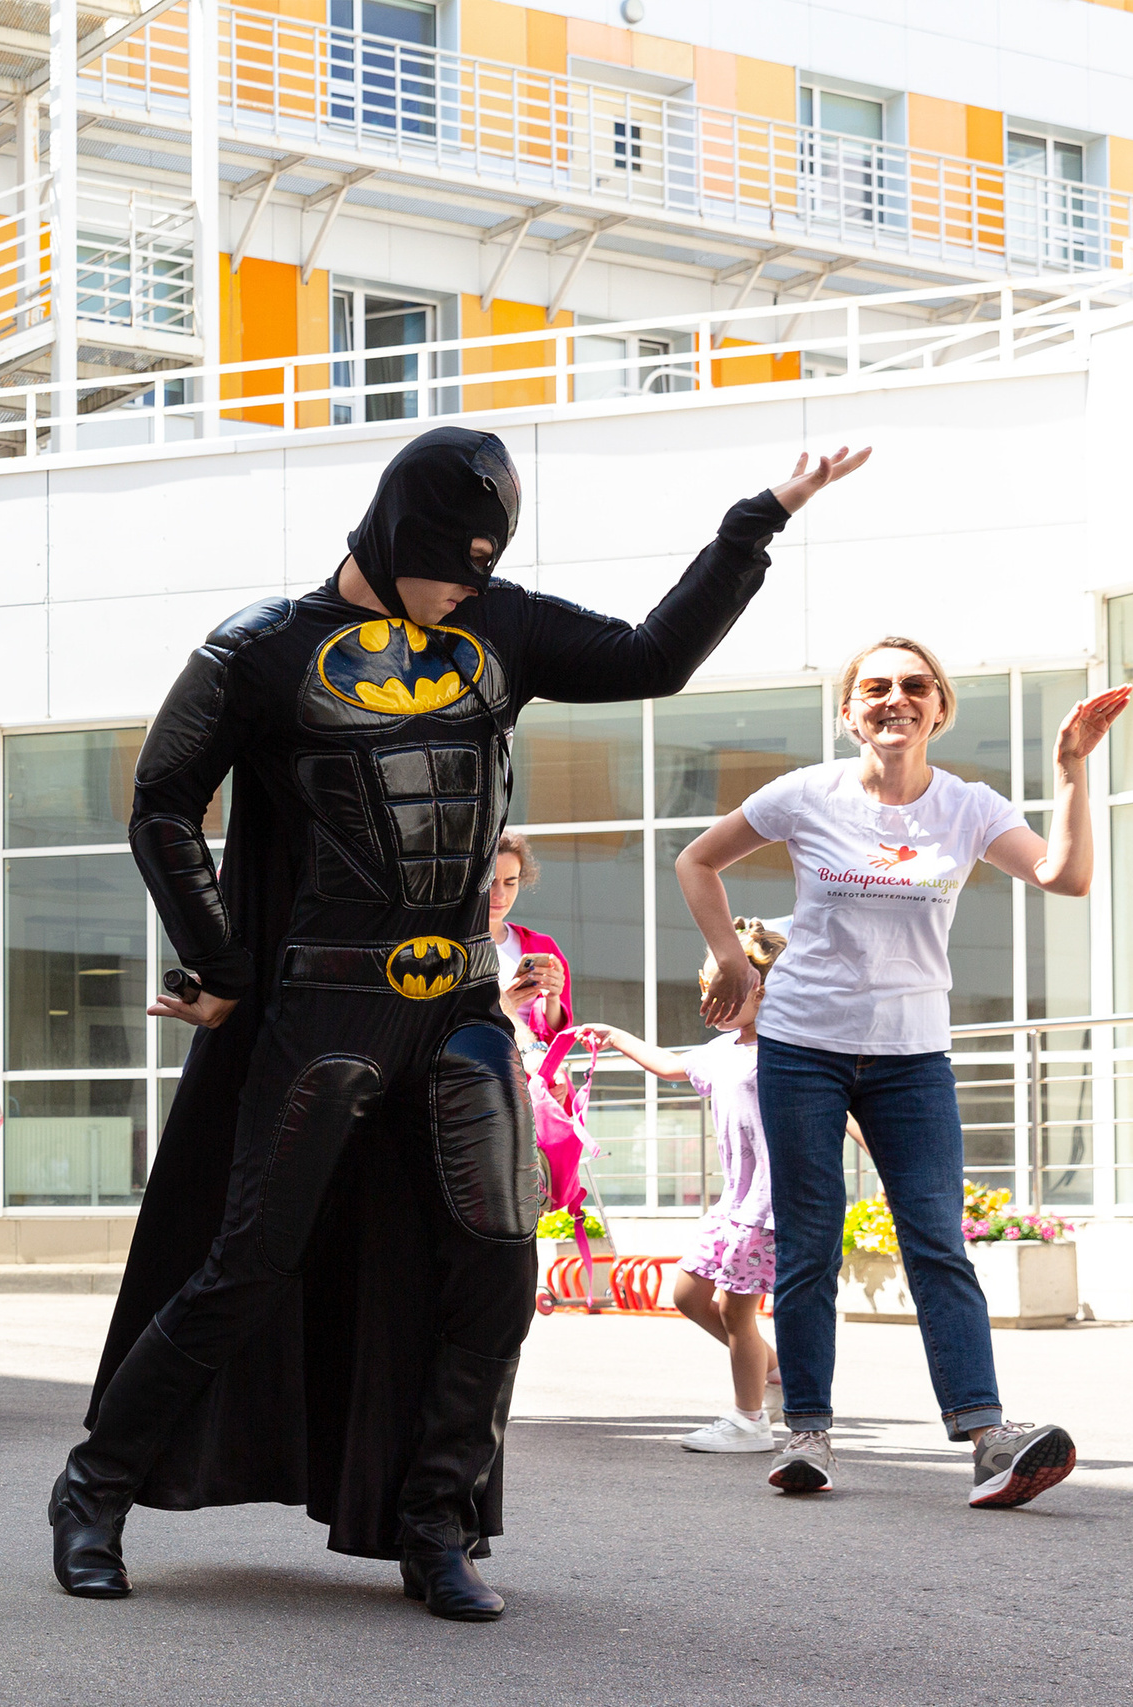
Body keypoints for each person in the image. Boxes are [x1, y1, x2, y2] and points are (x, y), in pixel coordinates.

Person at [55, 427, 872, 1620]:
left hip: (457, 1006)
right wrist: (220, 959)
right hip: (323, 1001)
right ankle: (95, 1487)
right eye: (450, 564)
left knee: (496, 1262)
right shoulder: (260, 650)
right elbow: (163, 803)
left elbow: (654, 656)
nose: (465, 588)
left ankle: (435, 1522)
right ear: (390, 542)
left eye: (484, 564)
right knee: (246, 1264)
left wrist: (759, 521)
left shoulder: (496, 623)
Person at [679, 638, 1129, 1506]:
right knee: (809, 1241)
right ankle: (806, 1431)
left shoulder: (966, 806)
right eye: (876, 687)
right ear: (850, 711)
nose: (896, 698)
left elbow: (1064, 875)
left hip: (913, 1057)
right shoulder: (806, 794)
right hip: (804, 1046)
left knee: (936, 1239)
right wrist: (730, 957)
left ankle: (986, 1433)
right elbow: (695, 860)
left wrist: (1071, 768)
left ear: (938, 707)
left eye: (914, 686)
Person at [576, 918, 789, 1452]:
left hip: (769, 1204)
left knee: (736, 1310)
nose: (709, 999)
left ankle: (749, 1421)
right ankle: (776, 1371)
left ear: (760, 989)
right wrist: (615, 1035)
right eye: (705, 987)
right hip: (733, 1202)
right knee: (689, 1294)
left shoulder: (789, 1051)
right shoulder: (721, 1050)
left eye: (720, 988)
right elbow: (671, 1066)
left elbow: (847, 1112)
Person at [487, 831, 570, 1059]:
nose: (500, 894)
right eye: (491, 883)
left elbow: (554, 1038)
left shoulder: (542, 945)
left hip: (534, 1073)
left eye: (510, 882)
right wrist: (497, 1008)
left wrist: (553, 998)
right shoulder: (452, 949)